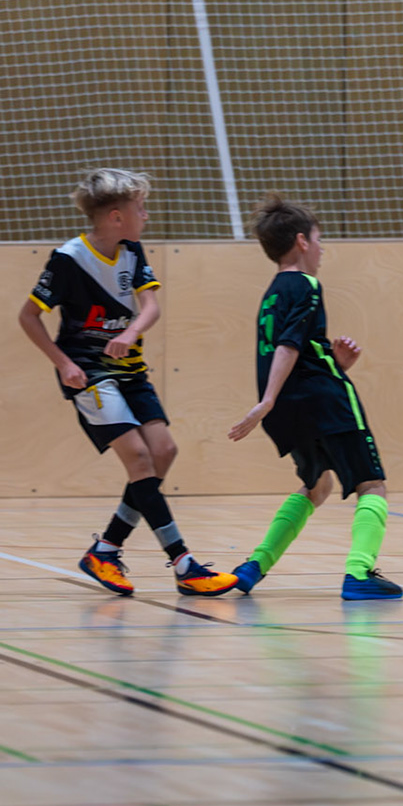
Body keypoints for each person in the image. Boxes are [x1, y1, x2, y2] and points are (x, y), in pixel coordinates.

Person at [19, 169, 237, 598]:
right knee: (139, 458)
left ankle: (105, 550)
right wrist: (63, 364)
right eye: (141, 208)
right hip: (89, 371)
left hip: (130, 369)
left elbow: (150, 306)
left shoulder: (132, 251)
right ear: (116, 217)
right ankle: (185, 564)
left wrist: (131, 331)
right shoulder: (68, 260)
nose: (147, 215)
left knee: (163, 452)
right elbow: (28, 317)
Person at [227, 194, 401, 601]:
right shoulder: (306, 284)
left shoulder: (272, 292)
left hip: (293, 408)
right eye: (319, 240)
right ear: (302, 241)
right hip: (321, 400)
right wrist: (267, 400)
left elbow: (292, 350)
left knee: (316, 485)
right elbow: (288, 345)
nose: (322, 249)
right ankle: (359, 573)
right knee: (372, 485)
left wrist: (332, 363)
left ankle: (254, 566)